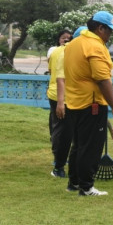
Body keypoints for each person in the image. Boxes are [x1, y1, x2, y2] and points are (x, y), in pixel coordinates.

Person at [64, 11, 113, 196]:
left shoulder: (74, 43)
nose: (110, 35)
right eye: (109, 31)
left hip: (74, 102)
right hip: (92, 104)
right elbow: (102, 79)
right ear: (100, 28)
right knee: (91, 147)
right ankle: (87, 187)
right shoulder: (94, 46)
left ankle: (74, 182)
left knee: (79, 145)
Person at [47, 29, 72, 177]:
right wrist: (61, 101)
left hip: (54, 93)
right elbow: (61, 78)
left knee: (58, 128)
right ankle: (59, 162)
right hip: (63, 96)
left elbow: (51, 71)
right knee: (64, 131)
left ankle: (59, 159)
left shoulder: (54, 52)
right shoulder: (67, 53)